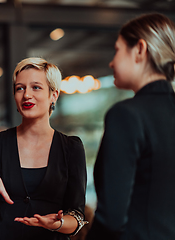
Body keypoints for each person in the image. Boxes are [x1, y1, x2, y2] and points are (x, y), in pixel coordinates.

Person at [86, 13, 175, 240]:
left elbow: (112, 219)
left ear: (140, 50)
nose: (111, 62)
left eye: (117, 50)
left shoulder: (126, 115)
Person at [0, 57, 87, 240]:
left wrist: (57, 224)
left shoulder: (71, 148)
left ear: (54, 95)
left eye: (36, 87)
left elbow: (77, 216)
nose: (26, 95)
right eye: (20, 88)